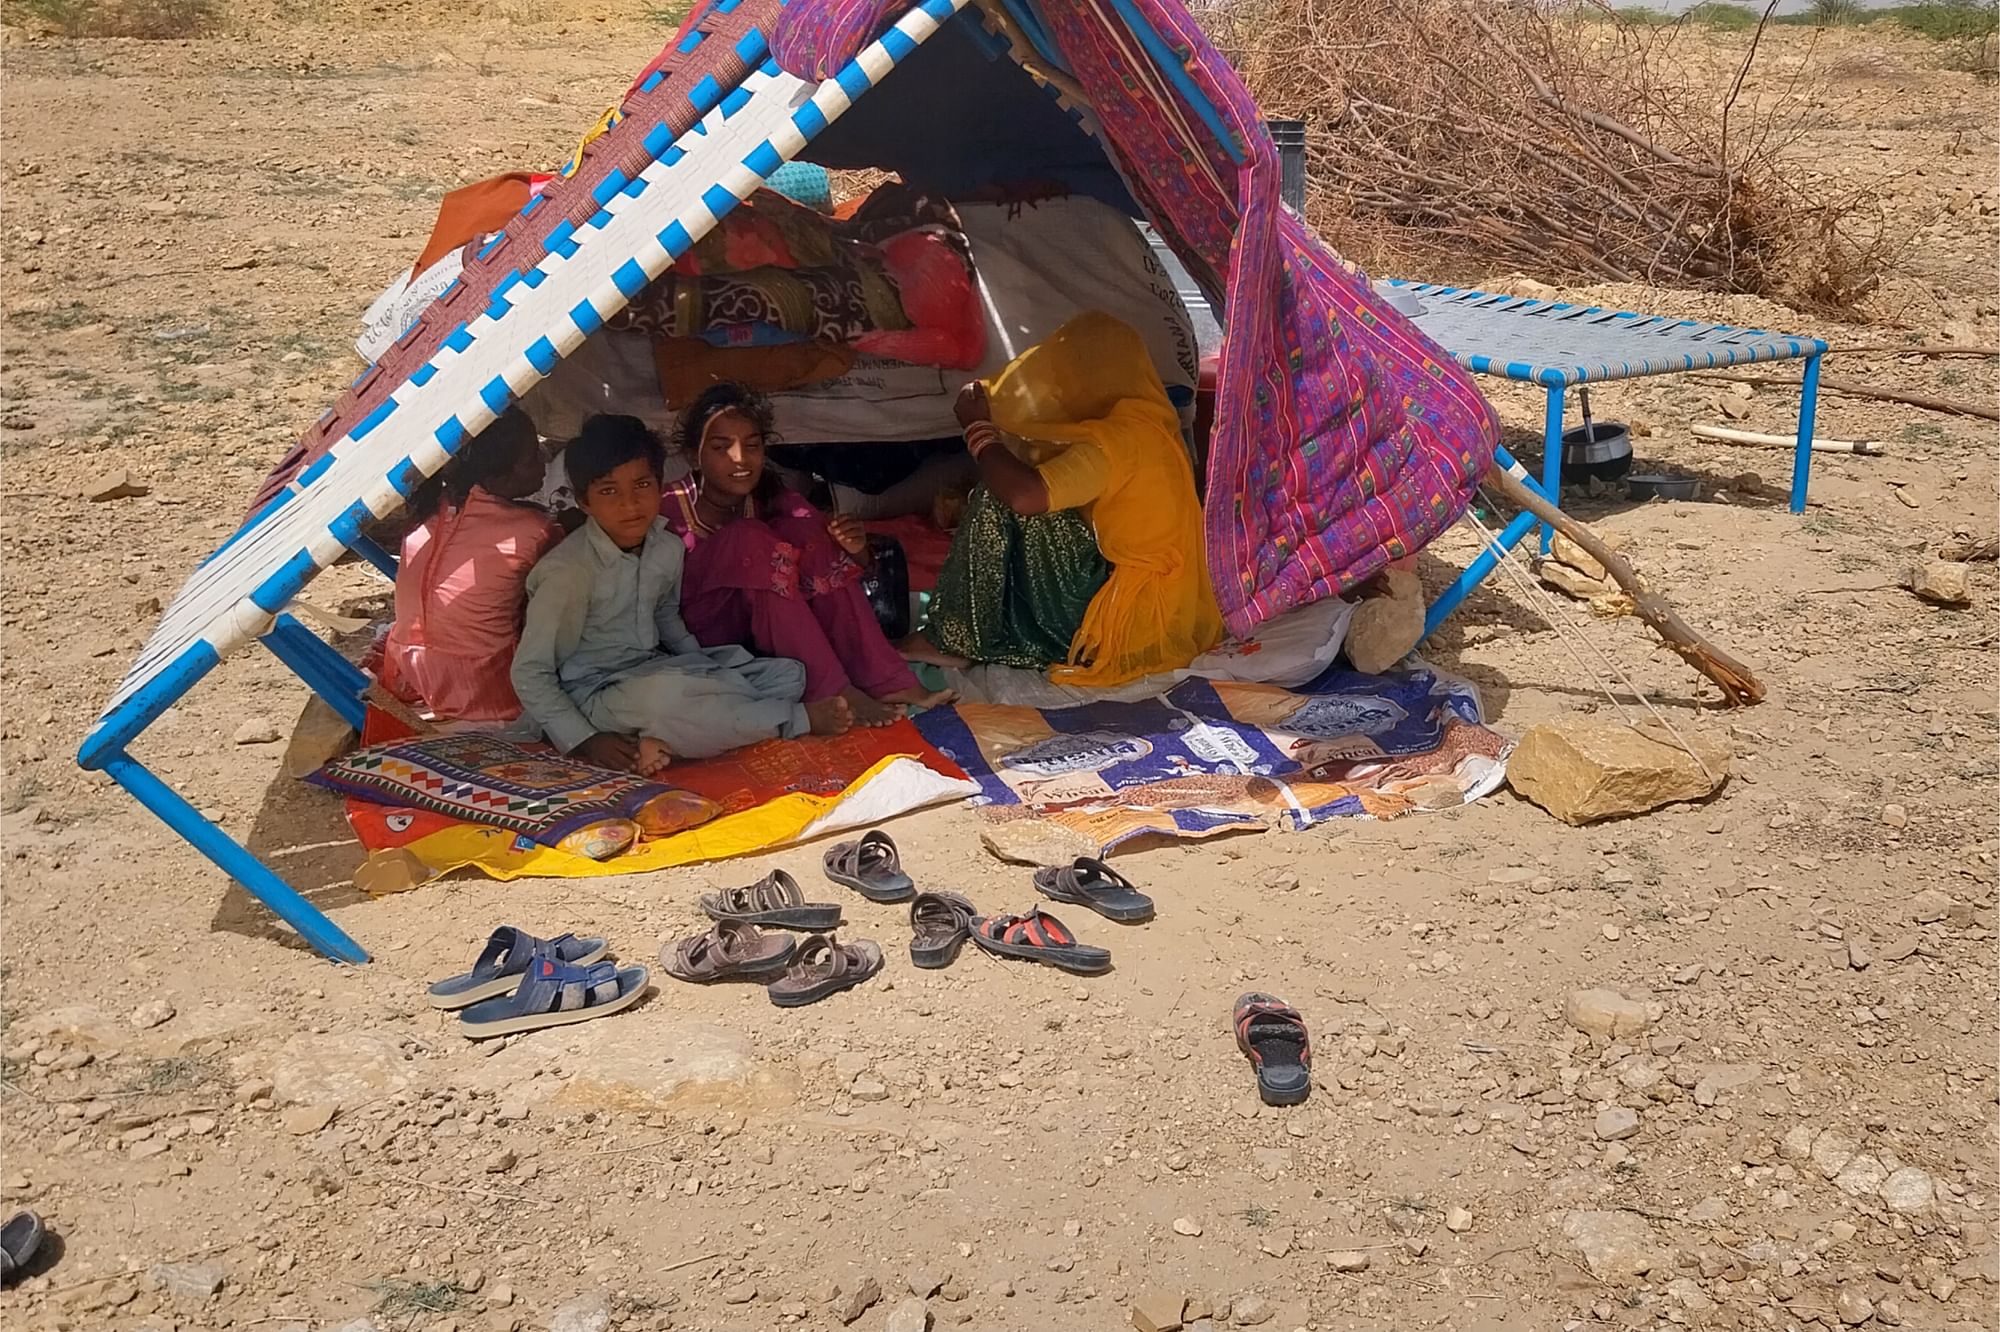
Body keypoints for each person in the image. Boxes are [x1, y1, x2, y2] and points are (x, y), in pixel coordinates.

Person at [510, 414, 850, 776]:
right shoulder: (569, 572)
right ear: (584, 501)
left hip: (656, 672)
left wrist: (706, 667)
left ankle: (659, 739)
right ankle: (791, 720)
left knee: (787, 676)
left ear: (660, 487)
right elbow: (530, 672)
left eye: (642, 485)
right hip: (592, 693)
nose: (630, 504)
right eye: (609, 491)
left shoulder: (666, 547)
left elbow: (665, 615)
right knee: (667, 701)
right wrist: (586, 739)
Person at [921, 310, 1224, 687]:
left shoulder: (1114, 444)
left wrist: (978, 430)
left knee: (998, 497)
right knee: (1033, 496)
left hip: (1127, 624)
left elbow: (1023, 496)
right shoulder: (1150, 422)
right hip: (1173, 612)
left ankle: (955, 637)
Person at [659, 386, 952, 728]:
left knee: (807, 533)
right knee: (748, 539)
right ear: (695, 456)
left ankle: (884, 680)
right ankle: (830, 688)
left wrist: (853, 547)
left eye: (752, 446)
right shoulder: (668, 507)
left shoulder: (767, 493)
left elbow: (831, 550)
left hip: (758, 627)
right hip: (698, 631)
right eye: (721, 448)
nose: (740, 459)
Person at [379, 407, 561, 734]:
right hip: (487, 693)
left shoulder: (431, 506)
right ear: (501, 474)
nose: (544, 462)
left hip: (409, 676)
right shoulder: (533, 530)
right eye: (533, 456)